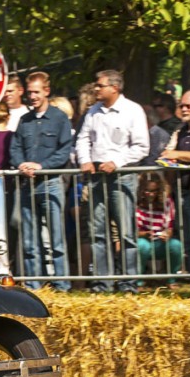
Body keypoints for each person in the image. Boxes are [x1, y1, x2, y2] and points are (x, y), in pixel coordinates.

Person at [75, 69, 150, 293]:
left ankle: (128, 283)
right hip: (96, 176)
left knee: (126, 232)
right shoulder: (93, 112)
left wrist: (116, 161)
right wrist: (85, 160)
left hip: (122, 176)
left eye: (100, 85)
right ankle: (102, 282)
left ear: (114, 88)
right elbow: (82, 139)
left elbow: (141, 146)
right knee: (98, 231)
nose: (96, 89)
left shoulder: (132, 110)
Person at [9, 71, 73, 291]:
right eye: (29, 93)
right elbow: (15, 148)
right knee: (29, 240)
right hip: (28, 186)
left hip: (51, 183)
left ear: (47, 91)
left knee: (56, 238)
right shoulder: (24, 121)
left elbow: (64, 151)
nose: (32, 96)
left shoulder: (59, 118)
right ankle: (34, 285)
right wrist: (21, 164)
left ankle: (62, 285)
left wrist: (41, 166)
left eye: (36, 92)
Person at [159, 90, 190, 291]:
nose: (184, 109)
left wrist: (177, 154)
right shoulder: (182, 131)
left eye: (189, 105)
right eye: (182, 106)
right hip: (186, 191)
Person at [135, 173, 181, 288]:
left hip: (160, 242)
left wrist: (167, 235)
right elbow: (132, 231)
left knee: (176, 245)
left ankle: (171, 279)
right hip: (142, 241)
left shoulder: (167, 202)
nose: (150, 194)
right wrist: (144, 234)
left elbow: (169, 227)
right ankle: (139, 281)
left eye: (154, 191)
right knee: (142, 246)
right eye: (147, 190)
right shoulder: (136, 202)